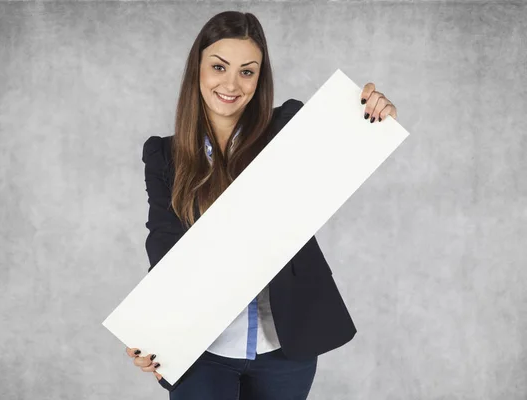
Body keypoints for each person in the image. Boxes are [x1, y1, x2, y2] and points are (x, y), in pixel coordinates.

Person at [126, 10, 398, 400]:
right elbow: (164, 244)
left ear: (259, 77)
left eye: (247, 71)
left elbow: (350, 143)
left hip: (285, 343)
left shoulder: (289, 129)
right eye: (219, 66)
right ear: (197, 69)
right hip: (204, 348)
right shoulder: (165, 156)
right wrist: (154, 332)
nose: (231, 84)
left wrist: (375, 113)